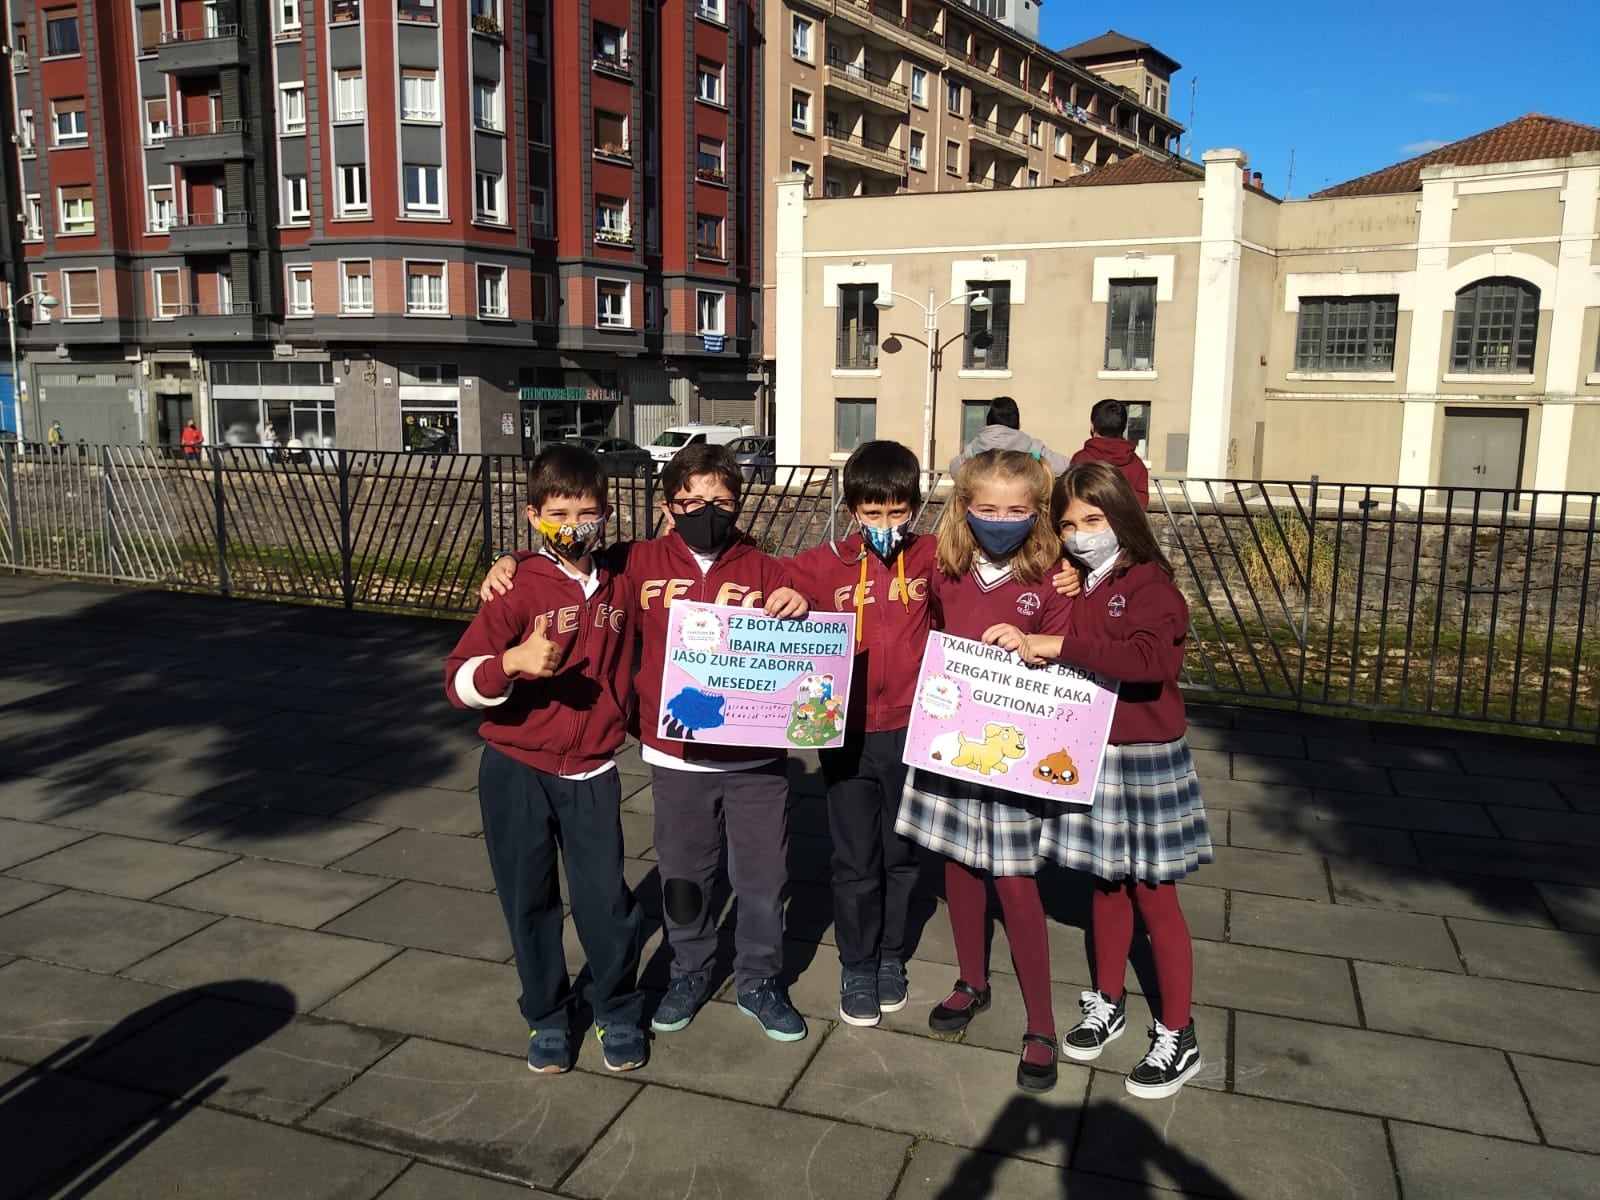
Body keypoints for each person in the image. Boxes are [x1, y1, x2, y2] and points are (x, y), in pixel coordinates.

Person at [482, 443, 814, 1044]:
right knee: (685, 875)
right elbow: (569, 562)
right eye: (691, 501)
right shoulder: (636, 561)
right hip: (674, 752)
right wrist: (510, 559)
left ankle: (760, 979)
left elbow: (815, 614)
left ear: (739, 504)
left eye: (720, 501)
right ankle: (689, 969)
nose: (706, 511)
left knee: (763, 879)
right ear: (667, 507)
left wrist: (802, 603)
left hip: (756, 757)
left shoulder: (768, 569)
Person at [986, 460, 1214, 1100]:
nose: (1081, 534)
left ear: (1122, 517)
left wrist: (1055, 646)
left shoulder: (1150, 585)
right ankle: (1107, 999)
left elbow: (1147, 661)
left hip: (1145, 755)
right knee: (1106, 885)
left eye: (1093, 520)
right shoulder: (1083, 581)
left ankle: (1179, 1031)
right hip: (1092, 750)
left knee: (1154, 895)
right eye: (1069, 525)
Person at [445, 444, 647, 1076]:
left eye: (586, 512)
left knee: (605, 901)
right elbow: (458, 682)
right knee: (528, 898)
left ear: (607, 513)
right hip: (516, 768)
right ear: (533, 516)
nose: (573, 525)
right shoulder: (514, 590)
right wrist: (509, 663)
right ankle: (548, 1016)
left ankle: (616, 1007)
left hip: (591, 769)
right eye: (558, 513)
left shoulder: (623, 579)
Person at [895, 449, 1072, 1093]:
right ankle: (972, 979)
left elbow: (1069, 658)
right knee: (958, 866)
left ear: (1037, 512)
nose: (1001, 520)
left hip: (1015, 752)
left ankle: (1041, 1023)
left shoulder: (1054, 577)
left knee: (1016, 881)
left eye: (1016, 510)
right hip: (952, 742)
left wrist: (1034, 650)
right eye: (987, 509)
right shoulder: (943, 567)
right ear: (964, 508)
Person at [788, 440, 937, 1028]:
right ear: (851, 510)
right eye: (872, 513)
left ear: (915, 507)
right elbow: (760, 582)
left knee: (901, 854)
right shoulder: (823, 564)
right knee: (854, 857)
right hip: (845, 733)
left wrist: (1063, 575)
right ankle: (856, 963)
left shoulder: (932, 557)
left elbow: (994, 579)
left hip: (911, 729)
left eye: (898, 511)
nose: (885, 524)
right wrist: (783, 597)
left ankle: (891, 956)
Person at [948, 397, 1070, 476]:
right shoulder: (1033, 449)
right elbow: (1066, 467)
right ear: (1019, 424)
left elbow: (954, 470)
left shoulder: (973, 451)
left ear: (986, 423)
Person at [1070, 399, 1149, 510]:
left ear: (1092, 426)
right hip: (1124, 520)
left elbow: (1071, 498)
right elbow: (1141, 503)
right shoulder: (1137, 465)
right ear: (1124, 427)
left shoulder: (1081, 460)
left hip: (1089, 519)